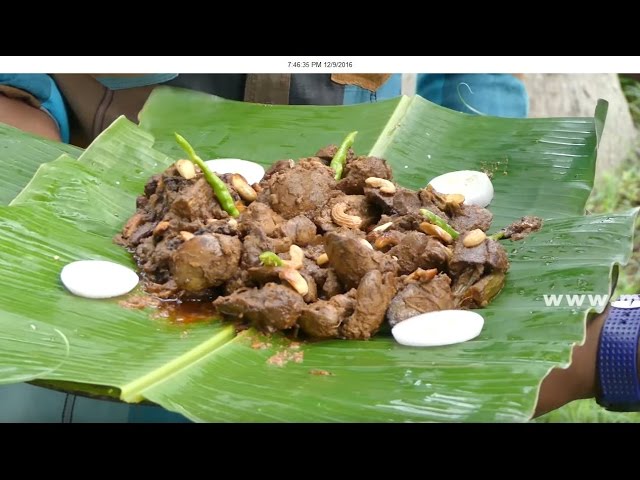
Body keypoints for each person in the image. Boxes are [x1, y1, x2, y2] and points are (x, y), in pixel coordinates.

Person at [0, 73, 629, 422]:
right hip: (96, 350)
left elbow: (472, 83)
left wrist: (611, 348)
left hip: (354, 376)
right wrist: (39, 170)